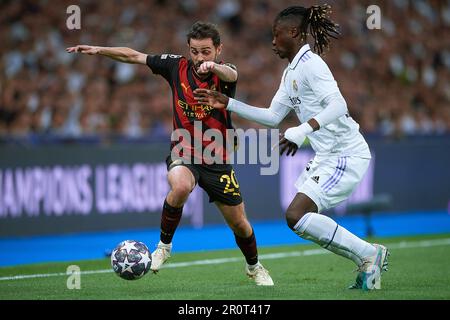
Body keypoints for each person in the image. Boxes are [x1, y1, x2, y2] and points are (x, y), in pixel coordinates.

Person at [194, 6, 389, 290]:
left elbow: (339, 106)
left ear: (294, 33)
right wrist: (228, 103)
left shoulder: (311, 64)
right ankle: (368, 256)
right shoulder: (291, 73)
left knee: (296, 216)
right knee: (297, 219)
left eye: (277, 35)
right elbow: (273, 116)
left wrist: (303, 128)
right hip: (328, 157)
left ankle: (369, 254)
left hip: (346, 154)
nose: (273, 41)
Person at [66, 21, 274, 286]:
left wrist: (214, 67)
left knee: (240, 225)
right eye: (195, 51)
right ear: (188, 49)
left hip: (216, 158)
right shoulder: (176, 66)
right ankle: (163, 247)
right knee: (180, 186)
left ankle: (254, 267)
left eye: (206, 52)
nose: (200, 57)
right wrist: (99, 49)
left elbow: (232, 75)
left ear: (218, 50)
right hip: (183, 148)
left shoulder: (225, 73)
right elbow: (134, 56)